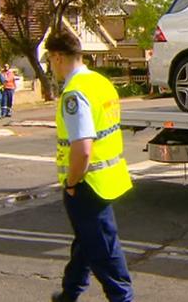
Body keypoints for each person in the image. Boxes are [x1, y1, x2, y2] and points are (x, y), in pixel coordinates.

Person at [46, 30, 134, 302]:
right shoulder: (100, 82)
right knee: (87, 240)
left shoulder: (74, 93)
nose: (51, 66)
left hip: (86, 184)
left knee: (104, 249)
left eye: (50, 60)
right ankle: (70, 292)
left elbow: (82, 149)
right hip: (107, 179)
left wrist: (71, 183)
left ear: (58, 57)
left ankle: (123, 298)